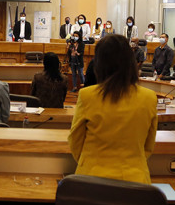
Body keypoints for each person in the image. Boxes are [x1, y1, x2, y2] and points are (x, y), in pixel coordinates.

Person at [67, 34, 158, 183]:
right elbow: (148, 145)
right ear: (131, 62)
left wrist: (90, 162)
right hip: (136, 181)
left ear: (100, 63)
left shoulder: (87, 96)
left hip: (91, 179)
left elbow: (75, 142)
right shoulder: (149, 98)